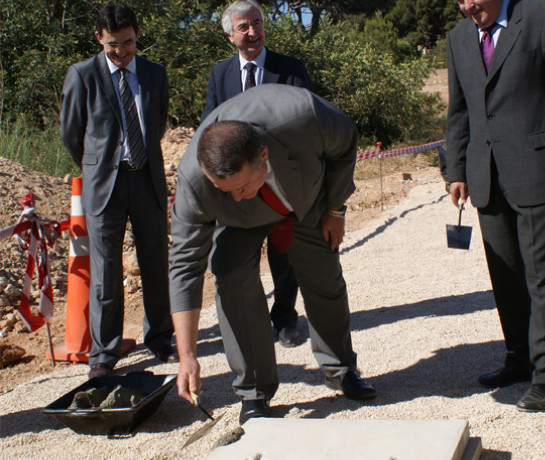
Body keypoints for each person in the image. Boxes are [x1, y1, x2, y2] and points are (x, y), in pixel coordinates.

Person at [169, 84, 376, 424]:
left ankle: (341, 369)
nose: (236, 196)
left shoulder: (304, 115)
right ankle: (254, 392)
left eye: (241, 187)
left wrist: (335, 208)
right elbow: (184, 268)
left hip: (304, 199)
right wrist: (187, 355)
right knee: (230, 275)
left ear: (263, 155)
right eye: (225, 190)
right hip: (240, 224)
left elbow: (345, 142)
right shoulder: (194, 181)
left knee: (324, 277)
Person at [445, 0, 545, 411]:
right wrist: (455, 169)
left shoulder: (543, 18)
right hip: (486, 178)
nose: (467, 5)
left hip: (539, 169)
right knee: (506, 274)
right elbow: (459, 111)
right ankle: (520, 357)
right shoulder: (458, 38)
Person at [60, 3, 177, 379]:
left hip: (146, 179)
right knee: (106, 271)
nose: (121, 51)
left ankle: (160, 338)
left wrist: (138, 156)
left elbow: (156, 123)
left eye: (127, 42)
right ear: (99, 39)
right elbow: (71, 134)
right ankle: (104, 352)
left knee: (156, 264)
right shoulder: (82, 75)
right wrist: (99, 165)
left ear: (137, 34)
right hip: (103, 187)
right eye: (112, 45)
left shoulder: (155, 74)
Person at [201, 0, 313, 348]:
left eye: (257, 23)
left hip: (280, 184)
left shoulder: (290, 68)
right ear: (229, 34)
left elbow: (307, 121)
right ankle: (251, 321)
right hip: (238, 188)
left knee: (284, 255)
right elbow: (210, 124)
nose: (252, 33)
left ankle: (285, 319)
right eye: (243, 27)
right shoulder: (220, 75)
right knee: (241, 257)